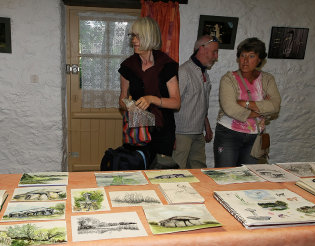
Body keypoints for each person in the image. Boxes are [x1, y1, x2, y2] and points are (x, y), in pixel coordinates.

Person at [118, 17, 180, 164]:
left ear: (150, 37)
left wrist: (151, 99)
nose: (133, 40)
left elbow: (176, 103)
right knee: (137, 174)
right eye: (133, 36)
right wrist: (128, 105)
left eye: (138, 36)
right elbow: (121, 99)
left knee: (160, 176)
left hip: (163, 132)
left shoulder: (167, 65)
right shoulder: (127, 66)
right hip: (137, 132)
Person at [213, 37, 281, 167]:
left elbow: (275, 106)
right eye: (242, 56)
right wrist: (261, 111)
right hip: (229, 134)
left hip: (254, 137)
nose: (245, 60)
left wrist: (245, 103)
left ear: (259, 59)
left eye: (251, 56)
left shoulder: (267, 79)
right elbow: (230, 108)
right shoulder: (228, 79)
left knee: (248, 177)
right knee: (225, 174)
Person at [172, 35, 219, 169]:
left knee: (199, 170)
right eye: (214, 52)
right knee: (178, 170)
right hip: (181, 133)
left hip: (198, 132)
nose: (216, 56)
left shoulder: (204, 73)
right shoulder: (183, 72)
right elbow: (171, 104)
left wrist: (207, 125)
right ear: (202, 49)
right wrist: (170, 135)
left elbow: (200, 103)